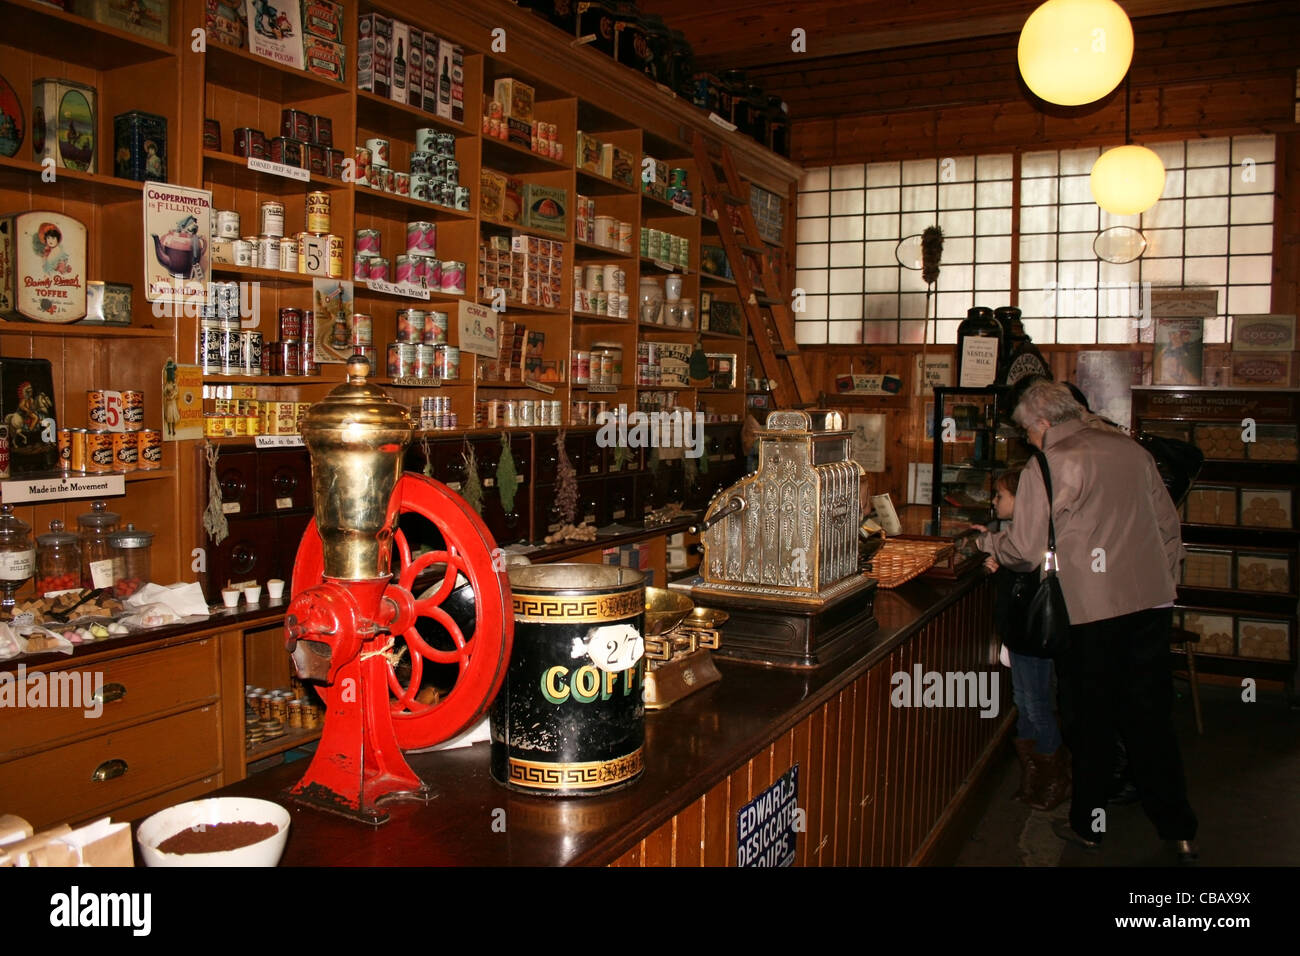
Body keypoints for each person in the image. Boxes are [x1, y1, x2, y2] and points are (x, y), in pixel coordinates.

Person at [974, 380, 1199, 863]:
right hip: (1150, 605)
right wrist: (1164, 583)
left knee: (1088, 721)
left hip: (1091, 611)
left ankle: (1089, 826)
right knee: (1151, 720)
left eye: (1026, 432)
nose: (1027, 441)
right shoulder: (1131, 451)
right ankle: (1178, 829)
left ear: (1042, 423)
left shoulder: (1048, 464)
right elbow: (1167, 527)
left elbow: (1024, 549)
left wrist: (986, 545)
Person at [977, 468, 1068, 810]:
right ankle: (1035, 777)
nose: (995, 500)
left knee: (1036, 704)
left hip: (1032, 632)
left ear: (1021, 499)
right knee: (1025, 701)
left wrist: (992, 552)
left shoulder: (1028, 537)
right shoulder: (1020, 533)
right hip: (1022, 632)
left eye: (1001, 495)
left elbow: (1022, 564)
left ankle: (1054, 780)